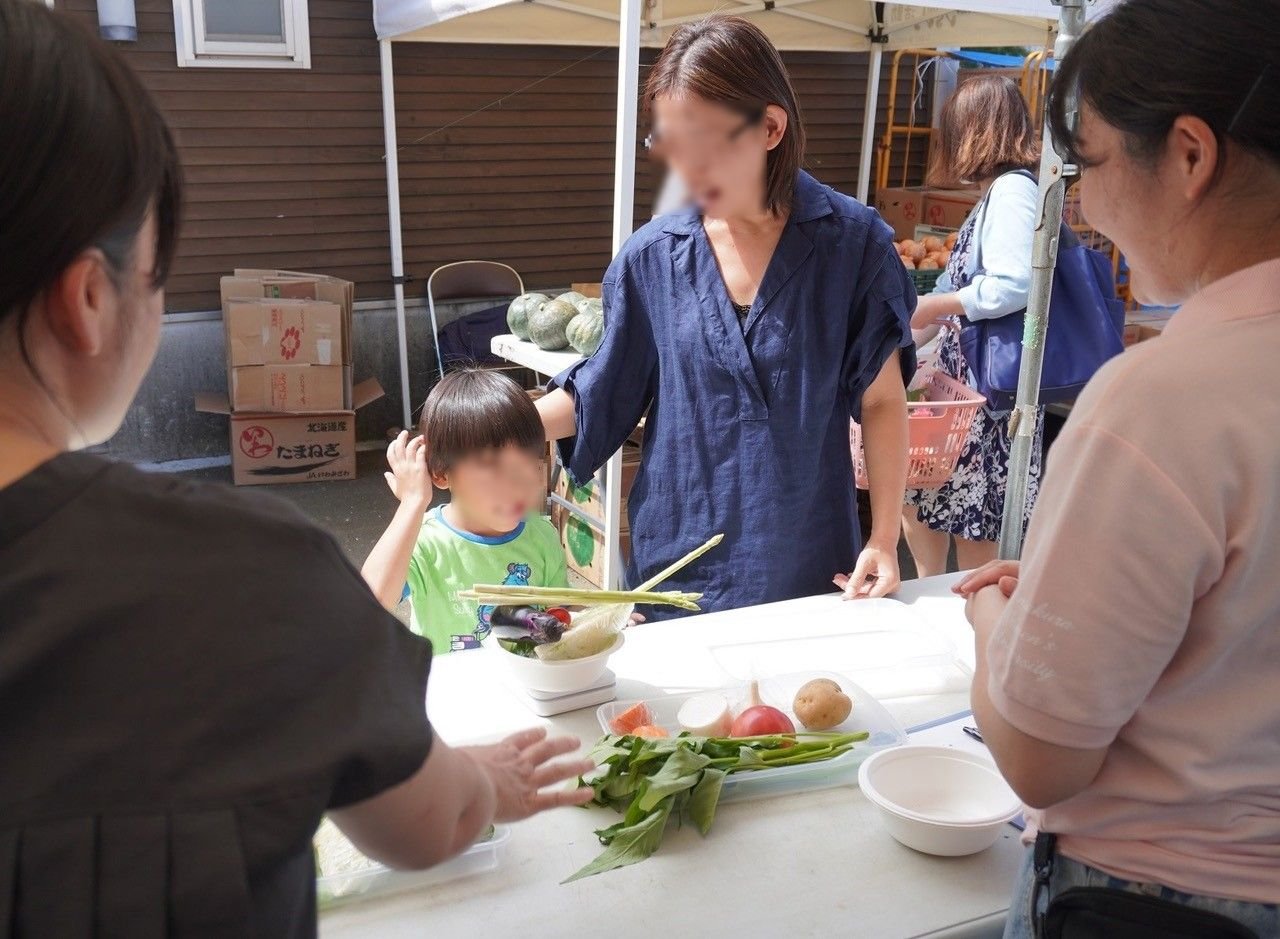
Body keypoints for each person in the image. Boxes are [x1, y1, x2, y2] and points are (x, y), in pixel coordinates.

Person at [0, 4, 591, 935]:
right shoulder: (238, 569)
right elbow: (424, 820)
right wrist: (481, 777)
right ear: (87, 299)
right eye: (158, 274)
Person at [956, 1, 1280, 934]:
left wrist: (991, 615)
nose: (1085, 207)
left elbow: (1038, 756)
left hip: (1154, 903)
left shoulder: (1160, 400)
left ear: (1189, 155)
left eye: (1087, 163)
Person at [536, 15, 915, 618]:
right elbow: (601, 391)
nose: (686, 170)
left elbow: (882, 400)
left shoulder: (853, 246)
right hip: (677, 569)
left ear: (769, 126)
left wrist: (885, 537)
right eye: (669, 144)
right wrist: (494, 429)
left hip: (809, 563)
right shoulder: (652, 257)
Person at [903, 76, 1043, 577]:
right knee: (930, 504)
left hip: (991, 400)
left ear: (973, 132)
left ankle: (970, 638)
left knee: (976, 534)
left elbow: (1013, 284)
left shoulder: (1011, 193)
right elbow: (954, 292)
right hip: (972, 395)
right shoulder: (998, 194)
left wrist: (933, 304)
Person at [362, 369, 567, 653]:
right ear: (440, 473)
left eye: (529, 463)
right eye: (494, 468)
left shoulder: (542, 536)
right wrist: (412, 503)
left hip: (525, 690)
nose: (519, 484)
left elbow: (562, 610)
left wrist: (598, 620)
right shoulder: (424, 543)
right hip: (450, 693)